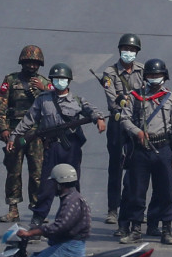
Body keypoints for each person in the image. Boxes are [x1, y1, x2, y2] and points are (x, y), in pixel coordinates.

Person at [10, 63, 106, 229]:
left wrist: (99, 119)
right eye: (56, 79)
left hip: (71, 148)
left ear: (68, 81)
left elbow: (91, 111)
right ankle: (38, 219)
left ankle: (74, 218)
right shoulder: (43, 99)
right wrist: (14, 136)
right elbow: (29, 119)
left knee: (72, 185)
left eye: (62, 79)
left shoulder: (76, 100)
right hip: (51, 147)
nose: (59, 82)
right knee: (46, 185)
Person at [118, 58, 172, 245]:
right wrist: (137, 131)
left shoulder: (171, 98)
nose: (154, 78)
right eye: (151, 75)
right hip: (140, 149)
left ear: (165, 77)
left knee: (165, 192)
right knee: (136, 191)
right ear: (145, 77)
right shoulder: (134, 96)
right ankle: (135, 228)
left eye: (158, 75)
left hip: (162, 148)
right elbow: (124, 119)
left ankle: (166, 230)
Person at [18, 163, 90, 257]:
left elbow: (60, 226)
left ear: (60, 183)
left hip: (69, 248)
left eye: (54, 183)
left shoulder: (71, 201)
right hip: (69, 246)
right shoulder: (73, 197)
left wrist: (32, 233)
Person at [0, 45, 49, 223]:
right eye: (28, 62)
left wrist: (43, 89)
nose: (31, 66)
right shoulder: (10, 80)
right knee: (13, 172)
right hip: (14, 134)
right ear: (22, 62)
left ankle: (37, 210)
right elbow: (0, 107)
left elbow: (55, 102)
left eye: (35, 63)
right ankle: (13, 208)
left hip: (36, 134)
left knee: (37, 174)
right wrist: (3, 129)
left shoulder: (44, 82)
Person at [99, 33, 145, 226]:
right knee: (116, 166)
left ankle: (136, 209)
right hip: (118, 122)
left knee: (138, 166)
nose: (129, 53)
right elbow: (112, 99)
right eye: (126, 50)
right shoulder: (110, 73)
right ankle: (113, 209)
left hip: (136, 122)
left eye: (132, 50)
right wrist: (124, 101)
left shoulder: (143, 70)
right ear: (120, 51)